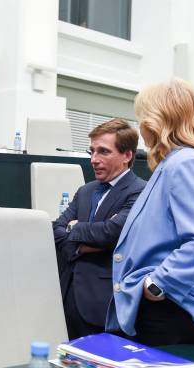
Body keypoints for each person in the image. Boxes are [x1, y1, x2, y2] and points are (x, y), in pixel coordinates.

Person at [107, 78, 194, 346]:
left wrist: (157, 285)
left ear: (156, 121)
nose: (139, 128)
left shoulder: (185, 164)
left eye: (142, 118)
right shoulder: (177, 163)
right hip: (172, 309)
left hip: (175, 311)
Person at [53, 119, 146, 340]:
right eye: (92, 151)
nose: (94, 160)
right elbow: (57, 229)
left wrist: (75, 229)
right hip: (67, 295)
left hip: (104, 303)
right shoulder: (85, 190)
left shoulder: (140, 191)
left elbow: (113, 232)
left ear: (127, 155)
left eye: (103, 152)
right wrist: (82, 247)